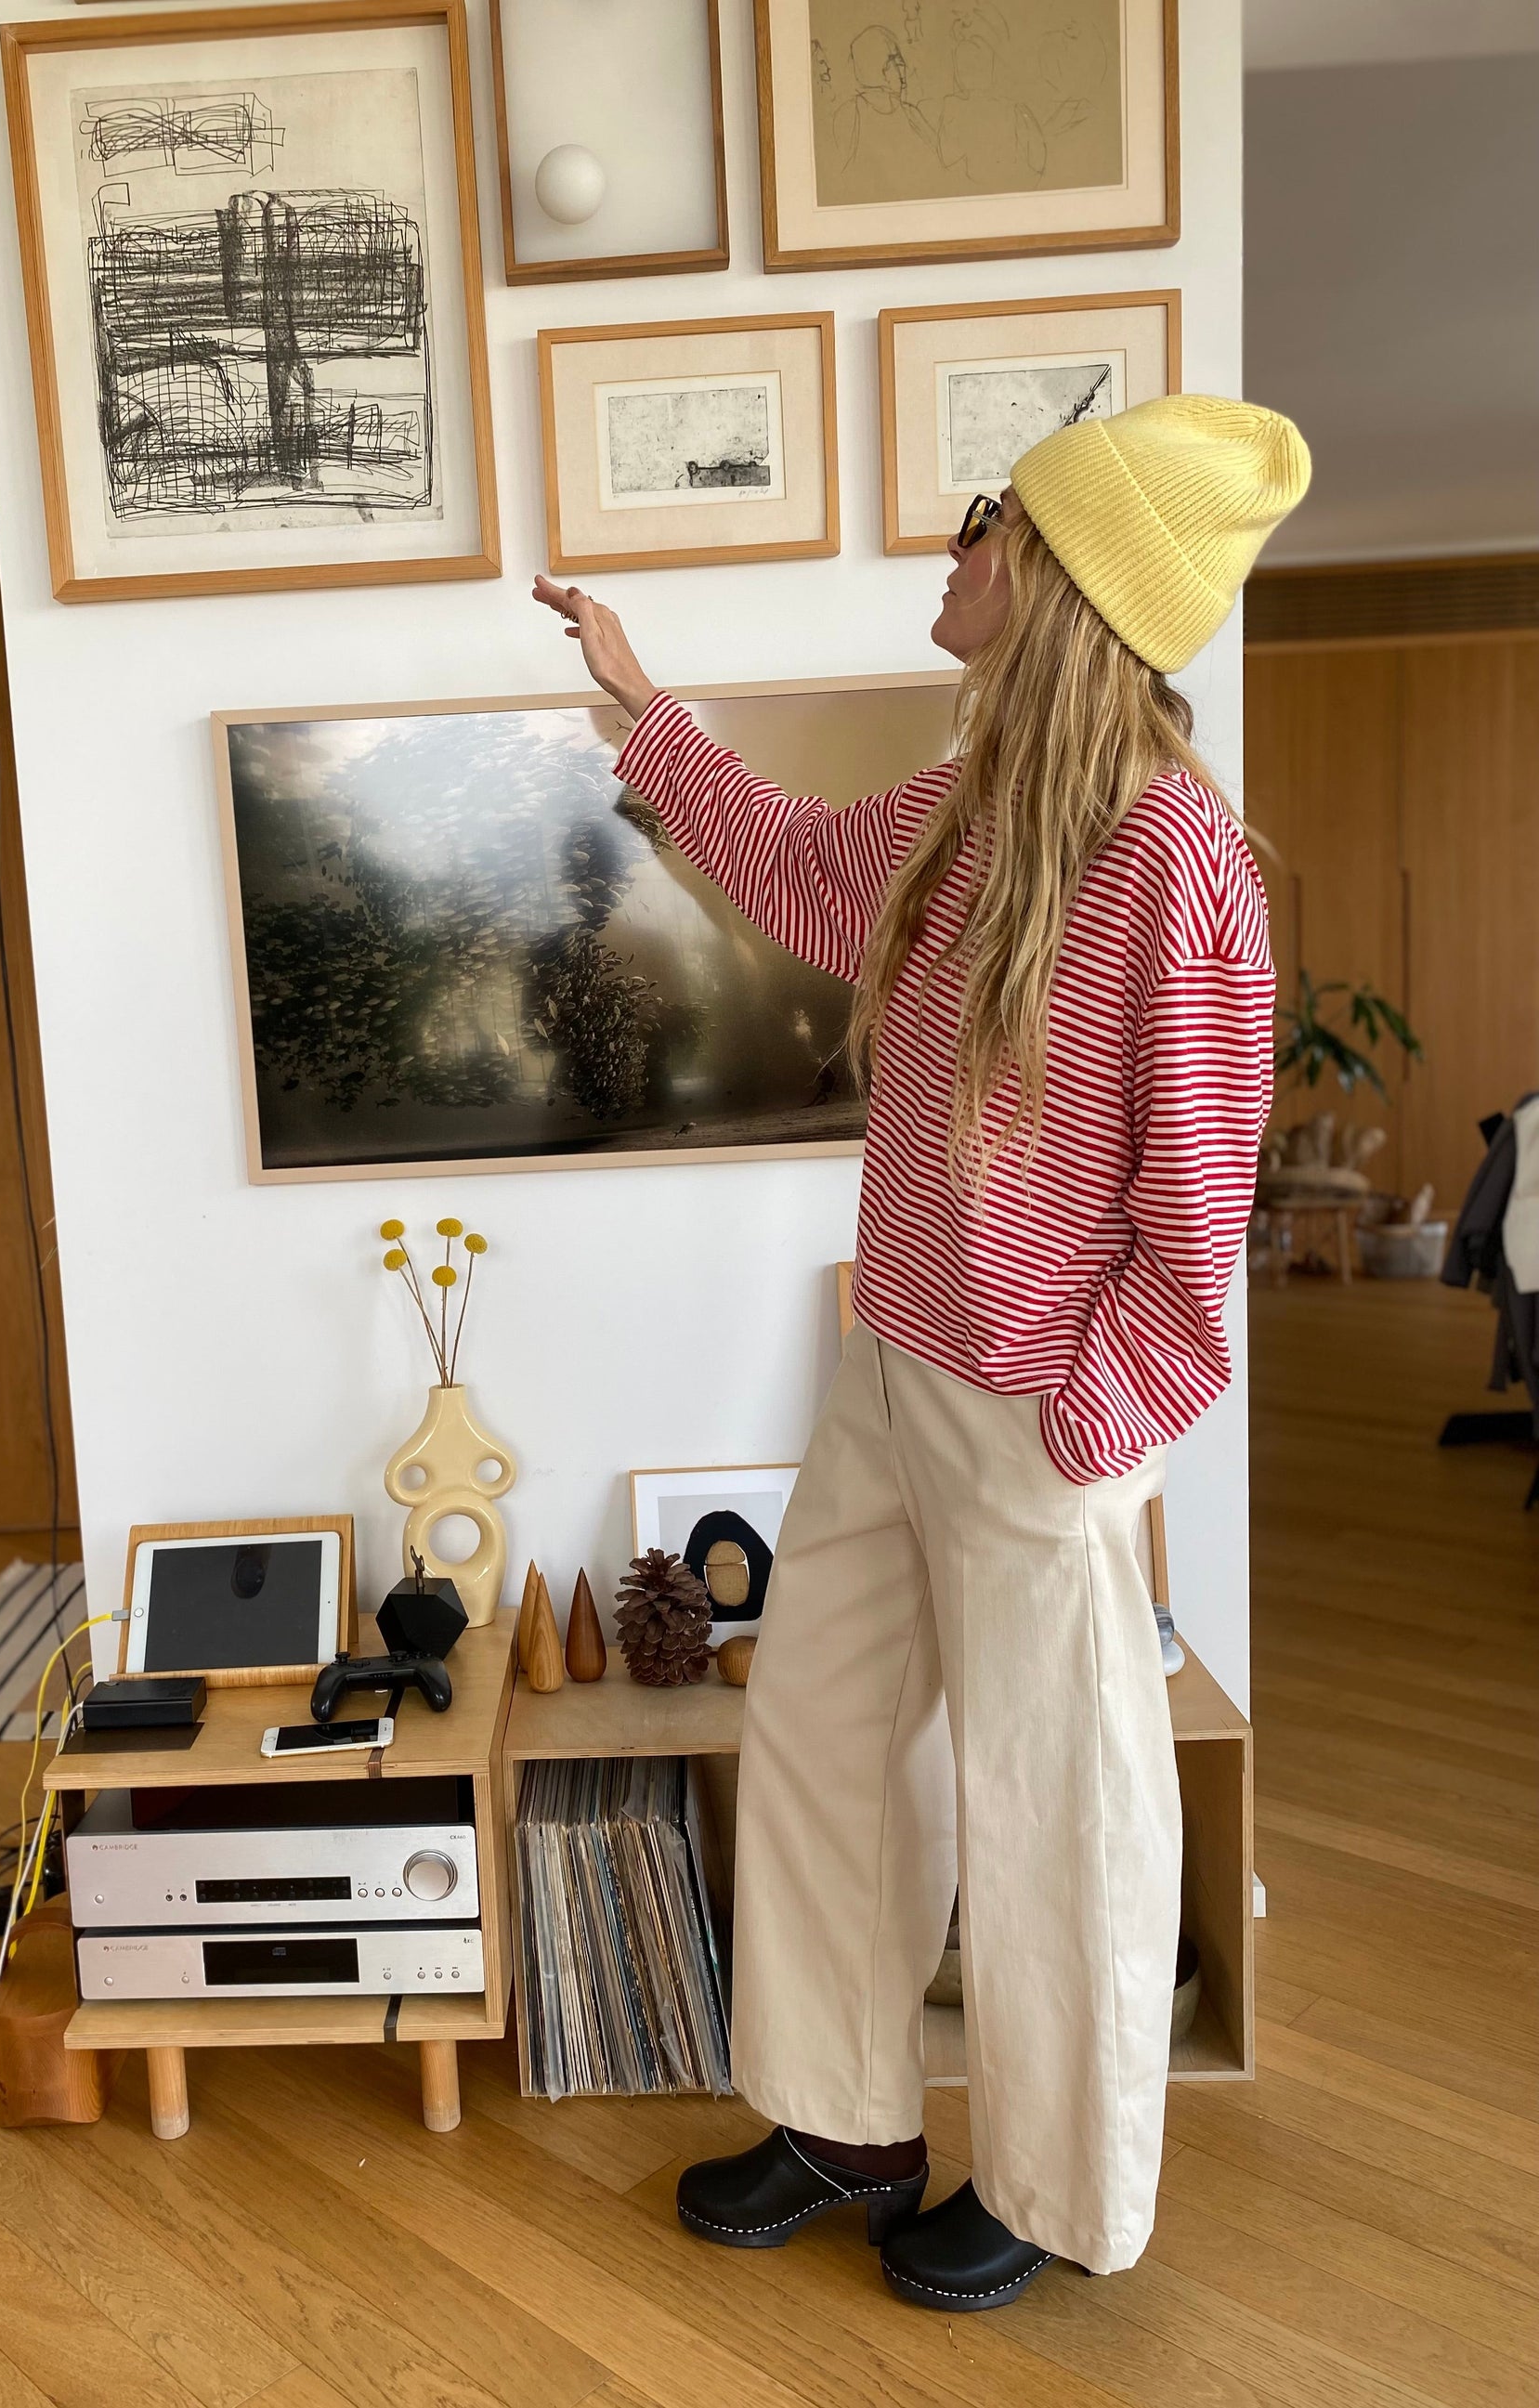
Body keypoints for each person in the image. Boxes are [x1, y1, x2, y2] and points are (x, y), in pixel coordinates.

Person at [533, 395, 1309, 2310]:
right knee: (823, 1739)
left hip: (1038, 1412)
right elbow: (804, 873)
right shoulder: (972, 809)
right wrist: (642, 703)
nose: (955, 545)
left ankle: (1050, 2187)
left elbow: (1199, 1212)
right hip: (893, 1365)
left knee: (1055, 1810)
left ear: (1063, 579)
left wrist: (1085, 1432)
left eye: (990, 519)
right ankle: (847, 2118)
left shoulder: (1179, 863)